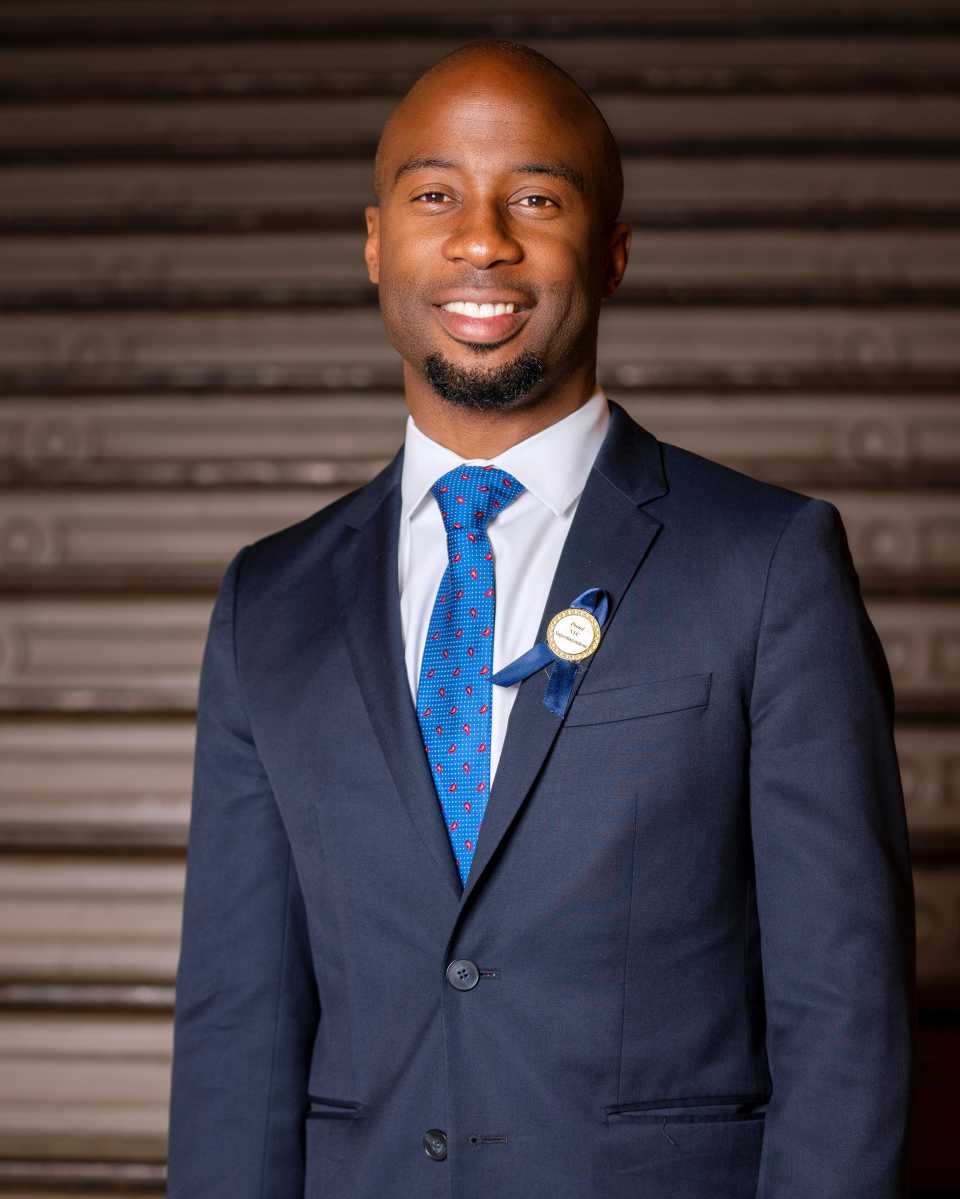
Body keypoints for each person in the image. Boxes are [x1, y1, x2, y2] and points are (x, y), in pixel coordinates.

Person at [166, 39, 916, 1199]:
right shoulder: (269, 599)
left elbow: (846, 1005)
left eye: (535, 197)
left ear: (611, 251)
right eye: (434, 195)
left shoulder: (767, 562)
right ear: (375, 243)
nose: (481, 239)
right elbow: (237, 1025)